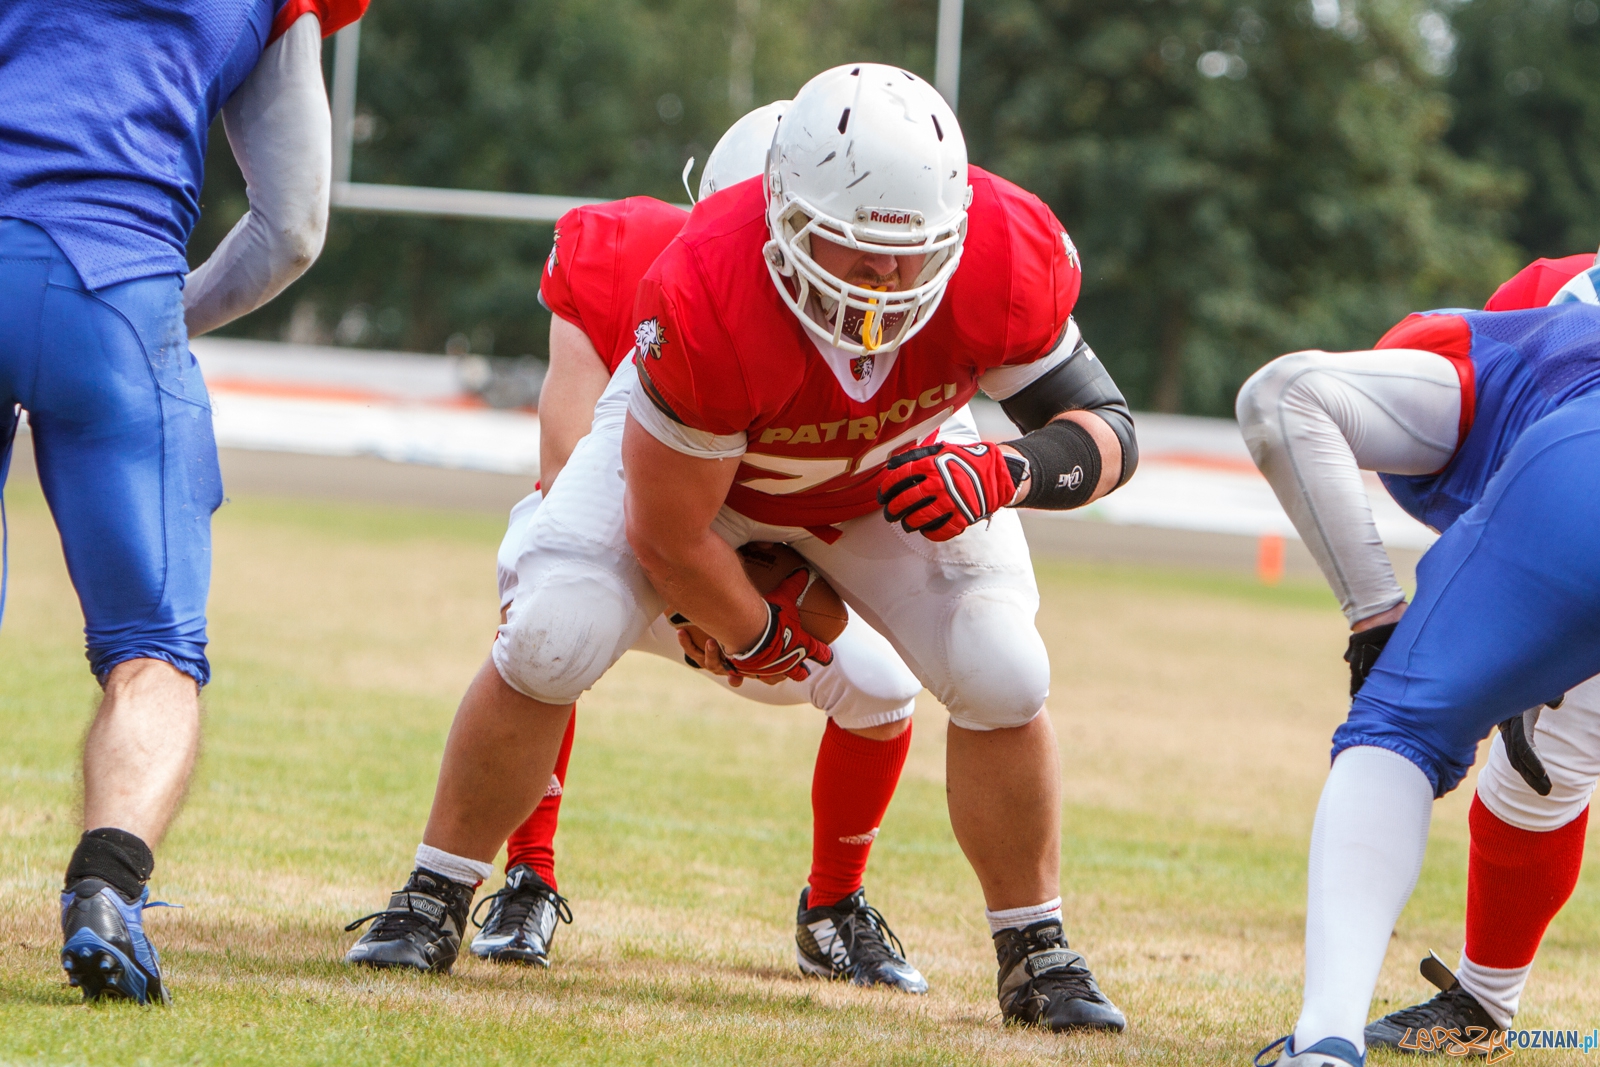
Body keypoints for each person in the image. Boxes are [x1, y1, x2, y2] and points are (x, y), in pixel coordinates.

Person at [347, 103, 935, 992]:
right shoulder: (631, 254)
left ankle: (833, 907)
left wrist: (735, 604)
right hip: (632, 543)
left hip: (746, 569)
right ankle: (518, 877)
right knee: (550, 625)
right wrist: (687, 590)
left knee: (886, 689)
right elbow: (563, 466)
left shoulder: (872, 303)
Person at [0, 0, 362, 1004]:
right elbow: (291, 227)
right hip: (115, 287)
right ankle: (106, 892)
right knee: (153, 648)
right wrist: (159, 317)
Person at [1237, 254, 1600, 1065]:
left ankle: (1325, 1038)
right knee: (1548, 768)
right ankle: (1483, 1000)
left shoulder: (1509, 349)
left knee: (1398, 726)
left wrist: (1374, 620)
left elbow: (1285, 397)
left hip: (1583, 466)